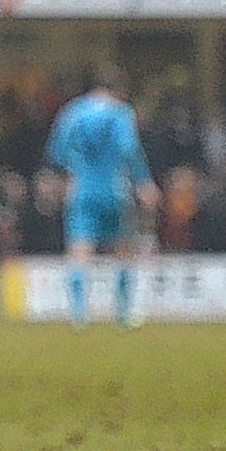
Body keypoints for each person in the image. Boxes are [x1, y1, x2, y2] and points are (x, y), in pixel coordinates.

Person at [46, 67, 159, 326]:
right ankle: (123, 313)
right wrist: (144, 183)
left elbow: (57, 153)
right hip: (114, 189)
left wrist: (65, 181)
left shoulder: (72, 112)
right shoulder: (121, 113)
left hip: (81, 189)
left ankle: (78, 314)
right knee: (122, 250)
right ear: (117, 89)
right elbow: (129, 150)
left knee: (79, 249)